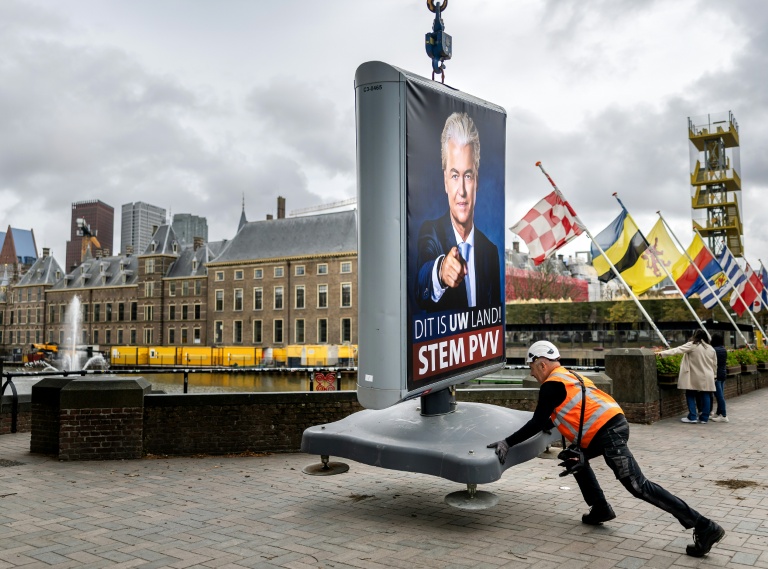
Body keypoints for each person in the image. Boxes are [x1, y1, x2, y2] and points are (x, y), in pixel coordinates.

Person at [487, 340, 725, 558]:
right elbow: (554, 418)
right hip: (608, 428)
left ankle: (704, 526)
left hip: (607, 432)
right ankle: (600, 509)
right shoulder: (569, 376)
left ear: (541, 364)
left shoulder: (552, 385)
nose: (531, 373)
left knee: (637, 485)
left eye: (531, 367)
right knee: (574, 457)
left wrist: (507, 442)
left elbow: (538, 422)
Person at [415, 112, 500, 312]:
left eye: (468, 176)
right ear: (445, 181)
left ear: (477, 181)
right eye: (454, 176)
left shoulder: (490, 251)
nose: (461, 191)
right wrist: (440, 271)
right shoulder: (430, 233)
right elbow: (420, 285)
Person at [656, 329, 717, 423]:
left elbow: (677, 350)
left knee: (690, 394)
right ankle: (704, 418)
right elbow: (714, 364)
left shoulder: (693, 345)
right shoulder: (711, 348)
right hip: (708, 375)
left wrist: (661, 353)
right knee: (706, 395)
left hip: (695, 374)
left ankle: (692, 417)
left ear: (695, 335)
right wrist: (714, 374)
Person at [709, 333, 729, 422]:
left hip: (716, 375)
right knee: (720, 395)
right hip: (723, 374)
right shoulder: (723, 349)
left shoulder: (714, 350)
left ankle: (724, 415)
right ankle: (718, 413)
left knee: (719, 396)